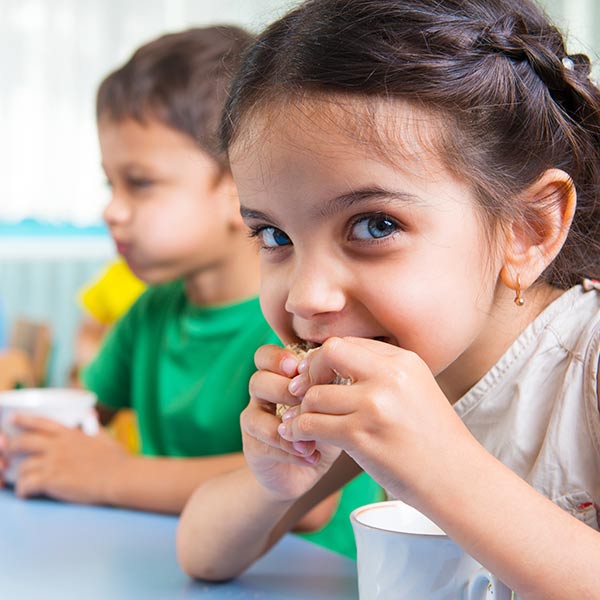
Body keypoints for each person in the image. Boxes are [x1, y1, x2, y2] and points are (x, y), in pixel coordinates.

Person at [176, 0, 600, 596]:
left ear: (527, 229)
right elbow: (202, 552)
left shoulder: (589, 364)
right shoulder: (381, 387)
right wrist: (277, 480)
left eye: (374, 225)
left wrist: (441, 466)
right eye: (275, 235)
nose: (307, 295)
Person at [0, 26, 286, 515]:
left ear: (241, 185)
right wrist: (27, 444)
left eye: (140, 183)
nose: (112, 210)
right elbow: (79, 417)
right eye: (109, 183)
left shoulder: (296, 318)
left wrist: (114, 474)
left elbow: (297, 485)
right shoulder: (151, 311)